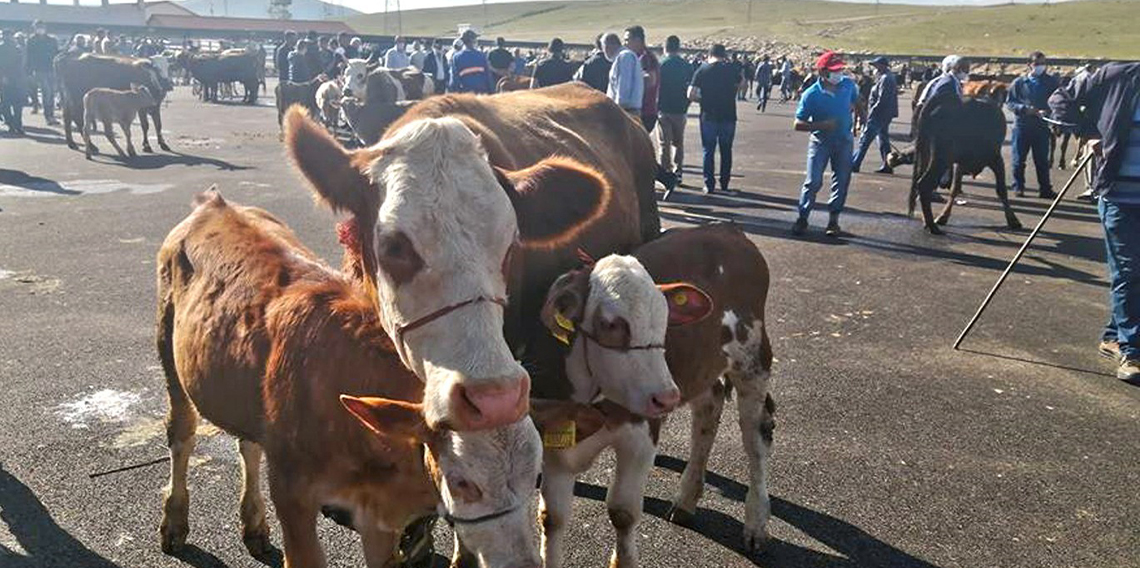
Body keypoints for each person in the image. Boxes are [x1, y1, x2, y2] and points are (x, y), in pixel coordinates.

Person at [1050, 61, 1140, 382]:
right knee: (1129, 270)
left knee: (1134, 272)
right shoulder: (1117, 75)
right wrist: (1088, 132)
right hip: (1119, 193)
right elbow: (1061, 99)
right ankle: (1133, 352)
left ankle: (1113, 335)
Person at [791, 51, 859, 237]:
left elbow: (856, 101)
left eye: (840, 70)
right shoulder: (811, 94)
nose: (839, 74)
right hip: (821, 141)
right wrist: (822, 125)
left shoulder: (848, 85)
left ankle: (833, 220)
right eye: (834, 71)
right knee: (813, 181)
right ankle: (803, 217)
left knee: (842, 180)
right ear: (822, 72)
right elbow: (798, 123)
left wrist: (859, 117)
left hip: (844, 141)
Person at [1006, 51, 1060, 198]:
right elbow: (1010, 103)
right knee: (1018, 159)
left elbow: (1059, 101)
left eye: (1043, 63)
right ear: (1029, 65)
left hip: (1041, 126)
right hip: (1022, 125)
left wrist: (1048, 112)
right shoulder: (1019, 83)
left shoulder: (1051, 82)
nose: (1040, 67)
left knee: (1042, 160)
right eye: (1037, 64)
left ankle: (1045, 189)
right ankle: (1018, 186)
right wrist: (1024, 109)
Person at [689, 43, 739, 195]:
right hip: (728, 114)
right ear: (724, 55)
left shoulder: (702, 70)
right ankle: (724, 182)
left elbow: (690, 94)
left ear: (709, 54)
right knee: (726, 150)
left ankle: (709, 184)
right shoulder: (731, 69)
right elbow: (742, 84)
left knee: (708, 150)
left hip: (708, 115)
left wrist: (702, 100)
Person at [851, 56, 898, 174]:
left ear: (882, 66)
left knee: (865, 139)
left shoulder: (886, 79)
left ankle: (855, 164)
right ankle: (887, 165)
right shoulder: (884, 77)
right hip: (884, 114)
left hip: (879, 114)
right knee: (883, 140)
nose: (874, 68)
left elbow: (882, 99)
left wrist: (871, 113)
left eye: (876, 66)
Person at [657, 35, 693, 187]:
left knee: (664, 143)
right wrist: (686, 104)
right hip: (680, 109)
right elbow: (691, 87)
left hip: (663, 108)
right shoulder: (686, 65)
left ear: (665, 48)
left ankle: (666, 171)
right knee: (678, 142)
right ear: (678, 48)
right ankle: (678, 171)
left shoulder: (660, 64)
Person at [25, 21, 58, 126]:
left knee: (52, 93)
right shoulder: (31, 40)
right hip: (39, 70)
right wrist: (29, 70)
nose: (40, 29)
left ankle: (51, 115)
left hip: (51, 69)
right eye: (38, 27)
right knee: (46, 92)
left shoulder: (52, 40)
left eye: (42, 27)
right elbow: (28, 56)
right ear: (34, 28)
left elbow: (56, 53)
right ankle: (48, 116)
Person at [606, 31, 643, 115]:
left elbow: (624, 84)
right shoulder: (623, 56)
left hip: (626, 110)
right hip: (627, 109)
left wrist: (619, 110)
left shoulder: (625, 57)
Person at [449, 29, 492, 94]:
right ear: (473, 40)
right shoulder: (481, 56)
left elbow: (454, 81)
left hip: (466, 95)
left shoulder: (456, 57)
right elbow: (488, 77)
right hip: (482, 93)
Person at [0, 29, 26, 134]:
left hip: (9, 79)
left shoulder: (16, 49)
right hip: (14, 79)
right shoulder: (17, 49)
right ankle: (16, 125)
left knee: (8, 103)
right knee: (16, 104)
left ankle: (12, 124)